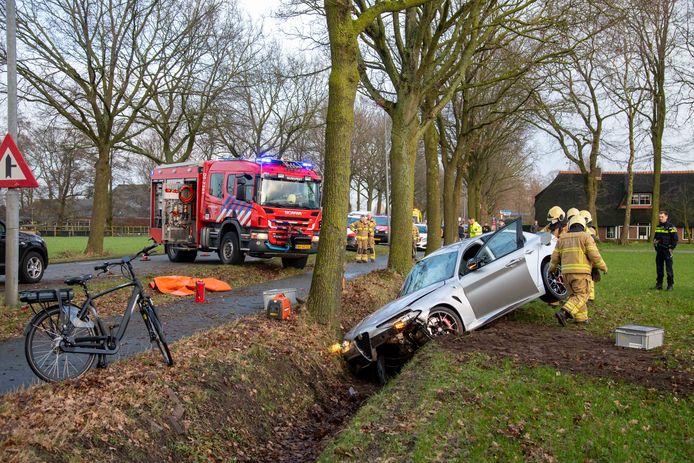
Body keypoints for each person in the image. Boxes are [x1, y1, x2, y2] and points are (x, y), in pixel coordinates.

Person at [550, 214, 608, 325]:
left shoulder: (562, 238)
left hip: (566, 274)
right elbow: (594, 255)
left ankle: (581, 319)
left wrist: (551, 269)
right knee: (582, 295)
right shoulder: (586, 237)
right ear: (583, 225)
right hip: (581, 273)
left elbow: (554, 257)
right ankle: (564, 312)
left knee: (574, 296)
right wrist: (603, 267)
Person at [653, 210, 678, 290]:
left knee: (669, 269)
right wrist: (655, 244)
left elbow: (675, 239)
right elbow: (655, 238)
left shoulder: (671, 227)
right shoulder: (658, 227)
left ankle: (670, 285)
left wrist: (671, 248)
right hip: (659, 250)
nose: (660, 218)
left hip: (667, 250)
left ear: (666, 217)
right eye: (659, 217)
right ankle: (659, 284)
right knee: (659, 268)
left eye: (662, 217)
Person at [579, 210, 599, 302]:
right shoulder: (587, 229)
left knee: (590, 277)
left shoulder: (590, 230)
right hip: (587, 255)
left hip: (589, 256)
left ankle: (590, 297)